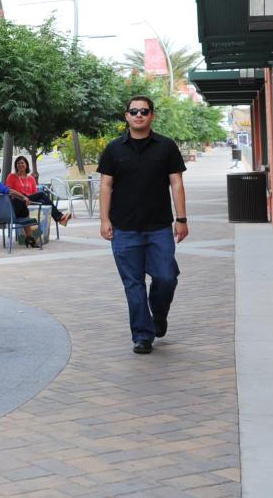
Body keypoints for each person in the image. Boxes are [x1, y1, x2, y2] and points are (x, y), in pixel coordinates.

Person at [97, 95, 188, 355]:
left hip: (159, 227)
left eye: (144, 111)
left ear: (152, 116)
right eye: (134, 111)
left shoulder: (166, 146)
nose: (139, 115)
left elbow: (177, 183)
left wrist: (181, 219)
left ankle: (157, 316)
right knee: (133, 283)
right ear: (126, 116)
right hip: (124, 229)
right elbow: (106, 185)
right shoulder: (114, 149)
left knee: (166, 278)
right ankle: (142, 335)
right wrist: (104, 220)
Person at [0, 161, 43, 247]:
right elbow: (10, 191)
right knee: (21, 202)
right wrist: (24, 197)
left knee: (21, 205)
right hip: (4, 214)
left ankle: (29, 237)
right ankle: (30, 236)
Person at [6, 155, 71, 229]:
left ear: (26, 165)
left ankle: (57, 220)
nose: (20, 165)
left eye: (22, 163)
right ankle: (59, 218)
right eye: (18, 163)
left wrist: (29, 199)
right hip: (18, 200)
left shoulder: (31, 178)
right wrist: (22, 197)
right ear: (16, 165)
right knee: (42, 194)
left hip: (29, 200)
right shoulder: (12, 176)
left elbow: (34, 192)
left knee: (43, 201)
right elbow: (9, 191)